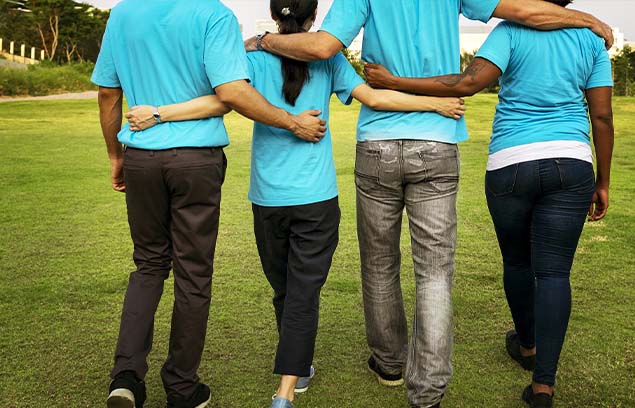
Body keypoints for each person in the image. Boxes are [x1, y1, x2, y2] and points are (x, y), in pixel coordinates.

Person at [246, 1, 614, 407]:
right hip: (437, 141)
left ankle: (389, 363)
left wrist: (263, 39)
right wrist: (587, 18)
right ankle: (428, 389)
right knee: (435, 272)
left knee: (379, 263)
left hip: (377, 143)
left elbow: (321, 48)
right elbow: (529, 13)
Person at [123, 1, 464, 407]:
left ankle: (295, 374)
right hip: (316, 198)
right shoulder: (331, 60)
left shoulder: (251, 57)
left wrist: (160, 111)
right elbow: (374, 98)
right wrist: (436, 103)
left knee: (285, 289)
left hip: (267, 199)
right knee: (301, 293)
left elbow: (224, 97)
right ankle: (290, 380)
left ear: (274, 14)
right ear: (313, 19)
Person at [364, 1, 614, 407]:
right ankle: (543, 385)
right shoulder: (591, 40)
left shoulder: (510, 32)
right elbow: (601, 116)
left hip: (511, 163)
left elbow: (466, 83)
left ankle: (528, 345)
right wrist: (602, 180)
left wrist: (396, 80)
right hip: (572, 161)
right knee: (553, 274)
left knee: (517, 262)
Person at [92, 1, 327, 407]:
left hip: (141, 158)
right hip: (195, 160)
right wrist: (292, 122)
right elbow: (232, 92)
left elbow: (109, 93)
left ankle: (126, 377)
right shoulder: (213, 15)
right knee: (192, 274)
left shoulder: (122, 13)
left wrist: (116, 155)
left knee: (148, 265)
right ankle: (183, 388)